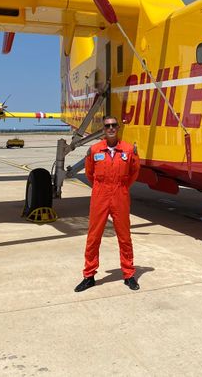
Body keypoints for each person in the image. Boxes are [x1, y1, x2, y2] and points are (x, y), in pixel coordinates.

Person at [75, 115, 141, 292]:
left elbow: (134, 172)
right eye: (107, 126)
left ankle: (128, 274)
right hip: (100, 195)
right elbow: (89, 173)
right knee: (94, 236)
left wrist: (122, 187)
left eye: (113, 125)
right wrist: (101, 188)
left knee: (124, 236)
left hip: (120, 194)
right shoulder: (94, 150)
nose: (110, 128)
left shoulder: (129, 150)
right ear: (103, 130)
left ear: (118, 128)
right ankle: (89, 276)